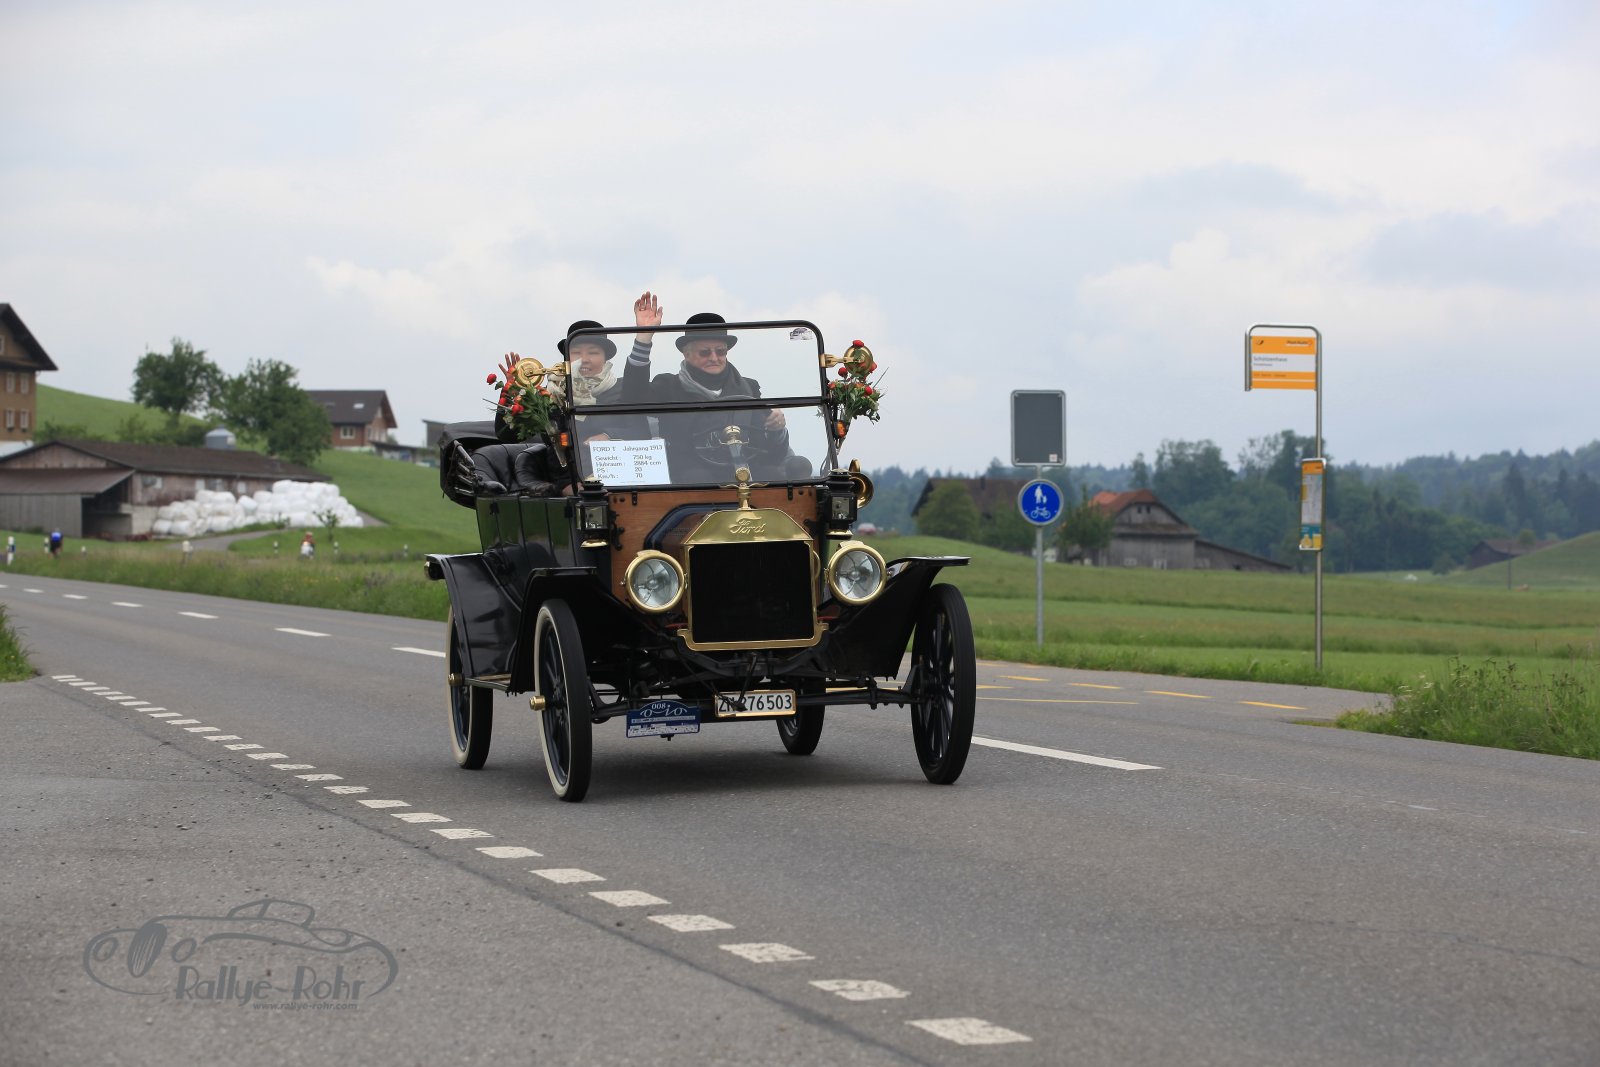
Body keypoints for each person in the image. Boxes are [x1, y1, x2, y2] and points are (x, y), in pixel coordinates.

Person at [630, 312, 790, 482]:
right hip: (688, 474)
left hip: (743, 469)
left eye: (720, 352)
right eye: (705, 353)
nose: (714, 358)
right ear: (686, 354)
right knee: (698, 479)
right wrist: (643, 338)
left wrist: (777, 428)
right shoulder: (668, 386)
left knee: (773, 476)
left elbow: (770, 454)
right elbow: (633, 397)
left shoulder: (749, 389)